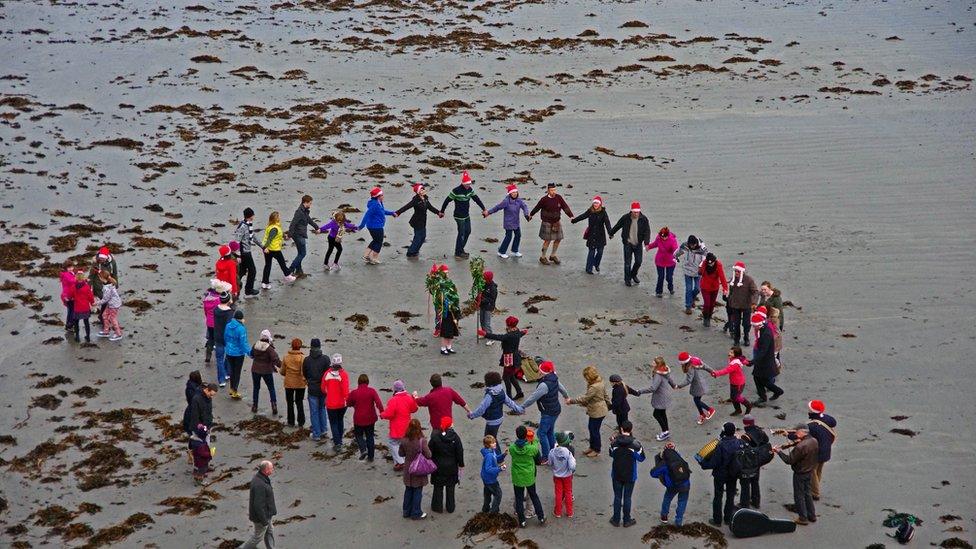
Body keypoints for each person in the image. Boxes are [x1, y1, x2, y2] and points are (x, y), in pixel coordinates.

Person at [521, 360, 569, 460]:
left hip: (548, 412)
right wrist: (566, 396)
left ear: (542, 372)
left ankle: (546, 457)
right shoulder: (554, 378)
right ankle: (553, 451)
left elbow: (533, 397)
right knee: (550, 431)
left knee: (541, 433)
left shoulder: (544, 385)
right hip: (555, 409)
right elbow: (562, 388)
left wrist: (522, 407)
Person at [468, 371, 524, 455]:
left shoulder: (489, 395)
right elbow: (510, 402)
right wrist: (519, 409)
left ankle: (498, 457)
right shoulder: (501, 391)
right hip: (499, 418)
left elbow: (482, 409)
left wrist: (472, 415)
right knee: (491, 437)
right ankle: (495, 455)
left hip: (492, 420)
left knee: (490, 439)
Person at [773, 425, 819, 525]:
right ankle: (812, 515)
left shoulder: (800, 446)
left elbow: (789, 460)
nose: (796, 434)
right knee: (807, 493)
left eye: (798, 432)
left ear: (804, 432)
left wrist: (778, 452)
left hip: (800, 473)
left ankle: (803, 518)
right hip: (810, 471)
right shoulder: (814, 441)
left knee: (799, 495)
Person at [700, 422, 743, 526]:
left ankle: (717, 520)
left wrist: (703, 464)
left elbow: (715, 462)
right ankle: (728, 518)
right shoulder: (739, 442)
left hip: (720, 474)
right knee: (730, 495)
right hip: (733, 473)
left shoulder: (720, 445)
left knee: (718, 496)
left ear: (724, 431)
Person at [439, 171, 487, 259]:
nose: (469, 185)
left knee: (468, 231)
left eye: (469, 183)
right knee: (461, 233)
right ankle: (458, 252)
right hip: (458, 216)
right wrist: (442, 211)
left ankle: (460, 249)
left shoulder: (470, 190)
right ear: (463, 183)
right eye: (467, 184)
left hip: (466, 215)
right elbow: (447, 201)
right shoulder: (456, 191)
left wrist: (483, 209)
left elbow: (476, 199)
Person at [480, 315, 528, 400]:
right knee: (511, 376)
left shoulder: (509, 335)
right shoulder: (517, 332)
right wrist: (524, 332)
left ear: (508, 324)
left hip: (509, 358)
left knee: (506, 378)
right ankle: (519, 392)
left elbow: (498, 337)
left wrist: (485, 334)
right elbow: (520, 334)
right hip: (515, 356)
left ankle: (508, 396)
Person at [566, 365, 610, 457]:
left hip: (597, 411)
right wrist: (609, 405)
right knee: (592, 428)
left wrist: (571, 401)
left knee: (594, 430)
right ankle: (592, 447)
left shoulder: (594, 387)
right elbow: (605, 395)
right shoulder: (600, 381)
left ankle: (596, 449)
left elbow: (585, 398)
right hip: (599, 410)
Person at [608, 421, 645, 527]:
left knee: (617, 497)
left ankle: (616, 519)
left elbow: (611, 454)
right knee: (627, 497)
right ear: (631, 430)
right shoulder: (636, 444)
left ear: (621, 429)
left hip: (616, 473)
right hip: (630, 474)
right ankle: (626, 520)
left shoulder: (614, 443)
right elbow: (641, 458)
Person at [509, 425, 545, 527]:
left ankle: (522, 521)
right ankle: (541, 516)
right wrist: (533, 439)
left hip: (517, 476)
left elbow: (514, 449)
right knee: (534, 496)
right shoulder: (531, 449)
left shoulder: (512, 448)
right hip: (529, 475)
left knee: (519, 498)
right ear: (526, 435)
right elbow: (536, 447)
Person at [529, 182, 573, 265]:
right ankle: (542, 257)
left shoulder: (559, 197)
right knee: (547, 240)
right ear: (548, 191)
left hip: (556, 222)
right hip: (547, 222)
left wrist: (571, 216)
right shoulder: (544, 199)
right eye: (552, 190)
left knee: (558, 239)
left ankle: (553, 255)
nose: (554, 192)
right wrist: (531, 214)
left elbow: (565, 207)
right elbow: (537, 207)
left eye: (554, 190)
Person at [608, 202, 651, 286]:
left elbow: (647, 231)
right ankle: (627, 279)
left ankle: (633, 274)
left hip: (638, 244)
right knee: (627, 263)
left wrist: (646, 243)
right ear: (631, 211)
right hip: (627, 243)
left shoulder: (644, 219)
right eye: (634, 212)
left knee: (639, 261)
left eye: (637, 212)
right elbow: (618, 226)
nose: (636, 213)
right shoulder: (625, 218)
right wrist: (611, 233)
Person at [638, 357, 680, 441]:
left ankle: (665, 432)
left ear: (657, 364)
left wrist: (640, 391)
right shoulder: (665, 370)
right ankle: (666, 430)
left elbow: (653, 388)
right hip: (665, 395)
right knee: (662, 413)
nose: (652, 362)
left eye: (654, 362)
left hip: (660, 397)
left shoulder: (658, 375)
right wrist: (674, 385)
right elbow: (669, 379)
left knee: (656, 414)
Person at [650, 442, 691, 527]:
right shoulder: (679, 457)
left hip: (673, 485)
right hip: (685, 483)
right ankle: (678, 521)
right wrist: (673, 448)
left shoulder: (665, 463)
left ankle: (664, 516)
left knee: (667, 498)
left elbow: (653, 473)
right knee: (682, 501)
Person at [429, 417, 465, 514]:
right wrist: (461, 464)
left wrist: (431, 460)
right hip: (452, 467)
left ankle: (437, 506)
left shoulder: (435, 436)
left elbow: (429, 450)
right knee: (450, 488)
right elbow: (460, 451)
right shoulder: (455, 437)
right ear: (450, 425)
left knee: (438, 487)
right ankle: (450, 507)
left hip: (438, 466)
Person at [398, 418, 432, 520]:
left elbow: (400, 454)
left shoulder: (404, 440)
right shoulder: (422, 441)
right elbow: (429, 455)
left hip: (408, 468)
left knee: (408, 489)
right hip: (419, 468)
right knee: (417, 491)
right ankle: (416, 512)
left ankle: (406, 511)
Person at [382, 380, 419, 472]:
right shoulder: (409, 398)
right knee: (402, 443)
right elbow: (414, 409)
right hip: (407, 426)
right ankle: (399, 462)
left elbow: (389, 414)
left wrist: (382, 415)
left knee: (392, 443)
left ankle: (400, 462)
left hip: (396, 428)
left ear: (395, 389)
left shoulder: (393, 400)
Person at [805, 400, 837, 501]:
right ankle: (815, 487)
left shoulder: (812, 426)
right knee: (819, 470)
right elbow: (833, 422)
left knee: (812, 471)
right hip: (827, 450)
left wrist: (788, 434)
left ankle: (815, 492)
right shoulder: (828, 419)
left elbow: (801, 435)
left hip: (817, 452)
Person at [396, 183, 440, 258]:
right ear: (418, 192)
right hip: (416, 221)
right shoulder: (415, 200)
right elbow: (407, 206)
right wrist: (398, 212)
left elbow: (430, 207)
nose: (423, 190)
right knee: (418, 237)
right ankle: (410, 252)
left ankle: (415, 250)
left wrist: (438, 213)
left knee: (423, 237)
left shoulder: (425, 198)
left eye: (423, 189)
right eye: (421, 189)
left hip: (423, 221)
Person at [347, 373, 384, 461]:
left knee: (359, 435)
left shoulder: (354, 392)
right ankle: (371, 457)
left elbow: (348, 403)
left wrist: (353, 403)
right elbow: (378, 403)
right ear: (367, 382)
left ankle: (363, 449)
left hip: (358, 419)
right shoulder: (372, 391)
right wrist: (382, 413)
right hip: (370, 418)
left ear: (358, 382)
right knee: (370, 436)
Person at [571, 196, 612, 274]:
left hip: (600, 235)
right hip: (591, 235)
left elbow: (607, 223)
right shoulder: (590, 211)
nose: (595, 205)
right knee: (591, 252)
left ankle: (596, 264)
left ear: (600, 204)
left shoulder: (603, 212)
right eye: (594, 203)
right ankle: (588, 269)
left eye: (597, 203)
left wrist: (610, 233)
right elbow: (582, 216)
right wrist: (574, 220)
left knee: (600, 252)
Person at [486, 184, 529, 258]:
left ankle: (515, 250)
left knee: (518, 235)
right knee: (508, 237)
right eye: (513, 192)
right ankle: (501, 252)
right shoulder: (506, 201)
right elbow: (497, 207)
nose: (515, 194)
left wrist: (526, 214)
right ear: (510, 193)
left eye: (516, 192)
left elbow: (524, 206)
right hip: (508, 223)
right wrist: (488, 212)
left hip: (516, 222)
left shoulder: (519, 200)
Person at [242, 460, 277, 549]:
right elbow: (258, 505)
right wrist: (264, 520)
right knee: (257, 537)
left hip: (266, 514)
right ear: (266, 470)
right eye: (271, 468)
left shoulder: (261, 478)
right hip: (261, 517)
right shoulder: (260, 484)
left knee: (269, 531)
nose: (273, 469)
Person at [750, 313, 784, 403]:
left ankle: (772, 393)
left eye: (754, 325)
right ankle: (769, 394)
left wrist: (753, 361)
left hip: (765, 361)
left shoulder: (766, 334)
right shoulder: (765, 330)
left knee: (761, 379)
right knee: (759, 378)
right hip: (764, 360)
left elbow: (763, 351)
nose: (754, 327)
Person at [359, 187, 397, 264]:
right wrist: (361, 226)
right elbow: (367, 215)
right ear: (378, 196)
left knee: (375, 240)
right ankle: (374, 258)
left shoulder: (379, 203)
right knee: (379, 242)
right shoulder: (375, 205)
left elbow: (382, 211)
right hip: (375, 227)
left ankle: (366, 256)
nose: (383, 196)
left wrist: (391, 213)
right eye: (382, 195)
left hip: (375, 226)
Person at [739, 414, 770, 509]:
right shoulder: (760, 431)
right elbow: (766, 440)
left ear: (745, 423)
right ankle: (756, 502)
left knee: (745, 484)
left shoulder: (746, 436)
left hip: (748, 464)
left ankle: (745, 504)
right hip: (758, 461)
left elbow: (744, 450)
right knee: (755, 482)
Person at [711, 346, 753, 416]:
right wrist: (749, 362)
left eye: (731, 353)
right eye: (730, 351)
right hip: (734, 382)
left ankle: (748, 405)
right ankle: (738, 410)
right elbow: (745, 361)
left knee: (736, 397)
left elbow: (726, 370)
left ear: (736, 355)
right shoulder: (736, 359)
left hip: (738, 383)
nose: (729, 353)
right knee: (733, 397)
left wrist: (716, 373)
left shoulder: (735, 364)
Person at [676, 352, 715, 425]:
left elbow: (688, 380)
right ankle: (702, 414)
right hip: (699, 384)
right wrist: (712, 371)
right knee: (696, 400)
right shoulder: (695, 361)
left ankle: (709, 410)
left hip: (698, 386)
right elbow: (705, 366)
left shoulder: (690, 367)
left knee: (697, 400)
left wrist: (679, 386)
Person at [302, 339, 329, 442]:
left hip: (312, 388)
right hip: (323, 389)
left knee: (314, 412)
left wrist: (309, 380)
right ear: (320, 346)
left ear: (311, 347)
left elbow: (304, 373)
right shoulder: (325, 359)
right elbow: (328, 373)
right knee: (322, 409)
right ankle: (323, 430)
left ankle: (316, 434)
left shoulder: (307, 360)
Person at [725, 261, 758, 346]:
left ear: (742, 271)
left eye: (738, 271)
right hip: (735, 305)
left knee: (746, 324)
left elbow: (755, 292)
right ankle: (736, 339)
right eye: (735, 271)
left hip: (746, 305)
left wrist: (754, 302)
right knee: (736, 323)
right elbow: (731, 292)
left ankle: (746, 337)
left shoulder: (749, 280)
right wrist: (728, 299)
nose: (736, 273)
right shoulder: (733, 280)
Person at [260, 211, 296, 288]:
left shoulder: (271, 226)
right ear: (276, 218)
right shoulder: (274, 228)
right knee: (282, 263)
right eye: (279, 216)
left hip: (268, 249)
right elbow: (270, 239)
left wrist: (284, 235)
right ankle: (287, 276)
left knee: (268, 265)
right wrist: (265, 248)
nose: (280, 217)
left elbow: (277, 234)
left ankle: (264, 282)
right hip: (273, 249)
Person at [286, 195, 320, 276]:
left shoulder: (304, 211)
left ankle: (299, 270)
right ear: (305, 202)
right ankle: (290, 269)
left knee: (300, 253)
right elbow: (292, 224)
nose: (310, 205)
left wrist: (317, 227)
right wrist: (289, 235)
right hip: (298, 235)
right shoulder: (299, 212)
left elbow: (309, 220)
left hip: (299, 234)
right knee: (303, 254)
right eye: (310, 203)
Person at [323, 354, 350, 452]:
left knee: (333, 422)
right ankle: (339, 439)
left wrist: (328, 393)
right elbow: (346, 390)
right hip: (342, 403)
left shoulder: (327, 374)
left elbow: (323, 388)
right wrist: (348, 400)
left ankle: (337, 442)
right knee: (340, 420)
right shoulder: (344, 374)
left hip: (330, 403)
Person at [675, 235, 709, 314]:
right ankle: (688, 306)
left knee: (697, 288)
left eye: (693, 245)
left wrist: (702, 267)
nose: (692, 246)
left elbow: (705, 259)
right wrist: (675, 256)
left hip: (698, 272)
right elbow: (679, 251)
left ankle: (692, 298)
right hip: (687, 270)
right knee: (688, 289)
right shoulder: (685, 246)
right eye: (690, 245)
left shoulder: (702, 249)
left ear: (696, 243)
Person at [250, 329, 280, 415]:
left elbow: (251, 354)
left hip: (255, 369)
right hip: (266, 370)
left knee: (256, 388)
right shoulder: (269, 348)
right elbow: (275, 359)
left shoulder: (256, 345)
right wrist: (283, 367)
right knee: (271, 388)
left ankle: (255, 406)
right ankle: (274, 405)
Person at [233, 207, 262, 297]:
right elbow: (237, 241)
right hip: (244, 253)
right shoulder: (243, 226)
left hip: (245, 251)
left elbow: (253, 236)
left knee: (241, 272)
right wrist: (238, 256)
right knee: (252, 270)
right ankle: (248, 291)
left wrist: (262, 246)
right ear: (250, 216)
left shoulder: (248, 224)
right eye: (253, 215)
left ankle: (234, 287)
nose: (254, 216)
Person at [224, 310, 251, 400]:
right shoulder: (241, 329)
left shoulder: (228, 326)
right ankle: (235, 390)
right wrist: (249, 352)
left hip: (229, 352)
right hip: (238, 354)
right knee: (237, 372)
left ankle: (232, 389)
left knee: (232, 371)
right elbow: (243, 343)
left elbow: (225, 337)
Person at [279, 339, 306, 427]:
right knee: (299, 402)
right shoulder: (303, 358)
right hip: (300, 384)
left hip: (289, 383)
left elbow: (282, 371)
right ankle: (301, 421)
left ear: (292, 346)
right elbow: (304, 372)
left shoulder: (286, 357)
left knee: (290, 402)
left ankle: (291, 421)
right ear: (300, 347)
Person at [549, 431, 577, 517]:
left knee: (558, 494)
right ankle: (569, 512)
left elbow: (550, 463)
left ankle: (558, 512)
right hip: (567, 476)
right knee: (568, 492)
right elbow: (572, 466)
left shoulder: (552, 452)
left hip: (557, 476)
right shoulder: (568, 452)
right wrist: (572, 468)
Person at [89, 246, 119, 326]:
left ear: (106, 258)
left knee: (107, 301)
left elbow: (114, 274)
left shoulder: (112, 263)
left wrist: (116, 285)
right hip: (98, 285)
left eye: (103, 259)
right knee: (105, 301)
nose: (101, 260)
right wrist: (89, 287)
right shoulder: (96, 263)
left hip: (108, 283)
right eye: (100, 258)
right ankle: (102, 318)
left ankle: (102, 316)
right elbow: (91, 276)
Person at [647, 226, 679, 297]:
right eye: (662, 237)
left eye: (665, 237)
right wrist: (648, 247)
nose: (663, 238)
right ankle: (659, 291)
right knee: (660, 276)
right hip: (660, 260)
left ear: (668, 235)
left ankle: (670, 288)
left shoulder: (672, 240)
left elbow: (675, 249)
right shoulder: (658, 238)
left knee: (669, 277)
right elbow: (655, 244)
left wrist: (676, 254)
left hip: (670, 261)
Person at [698, 253, 728, 327]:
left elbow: (722, 277)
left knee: (712, 304)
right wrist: (700, 268)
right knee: (707, 303)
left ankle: (709, 316)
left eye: (712, 263)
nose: (711, 264)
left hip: (714, 288)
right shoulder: (704, 263)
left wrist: (725, 289)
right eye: (709, 263)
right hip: (705, 287)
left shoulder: (718, 265)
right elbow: (700, 272)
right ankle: (706, 318)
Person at [212, 289, 235, 387]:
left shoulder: (215, 310)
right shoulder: (230, 312)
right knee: (229, 356)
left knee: (219, 359)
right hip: (227, 337)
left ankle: (221, 380)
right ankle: (227, 373)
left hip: (217, 336)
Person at [480, 435, 507, 513]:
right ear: (488, 445)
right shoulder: (489, 455)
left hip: (486, 478)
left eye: (495, 442)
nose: (495, 444)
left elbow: (496, 459)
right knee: (498, 494)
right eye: (492, 443)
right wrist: (500, 469)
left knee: (487, 494)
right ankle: (493, 511)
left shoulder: (492, 451)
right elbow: (488, 469)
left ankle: (485, 509)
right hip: (490, 479)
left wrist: (503, 455)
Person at [95, 271, 123, 341]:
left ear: (102, 278)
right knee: (104, 315)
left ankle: (118, 333)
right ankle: (106, 331)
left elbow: (105, 299)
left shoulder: (107, 288)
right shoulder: (109, 283)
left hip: (114, 305)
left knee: (112, 318)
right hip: (111, 303)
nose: (99, 278)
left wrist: (96, 303)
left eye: (99, 277)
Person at [71, 269, 95, 343]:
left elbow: (72, 295)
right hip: (85, 307)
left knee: (76, 322)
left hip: (77, 307)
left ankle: (77, 336)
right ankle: (87, 336)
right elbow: (90, 296)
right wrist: (92, 302)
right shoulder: (86, 286)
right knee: (86, 322)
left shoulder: (74, 286)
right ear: (83, 277)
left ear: (76, 277)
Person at [202, 280, 222, 363]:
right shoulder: (218, 300)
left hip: (209, 322)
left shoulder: (207, 299)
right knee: (218, 339)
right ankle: (219, 355)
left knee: (210, 338)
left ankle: (208, 355)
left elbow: (205, 311)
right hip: (217, 322)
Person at [478, 271, 497, 345]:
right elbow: (480, 293)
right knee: (482, 320)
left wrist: (483, 300)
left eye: (484, 278)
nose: (483, 279)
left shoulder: (493, 288)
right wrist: (478, 298)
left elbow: (492, 299)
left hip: (488, 307)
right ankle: (484, 333)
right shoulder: (483, 284)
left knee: (487, 323)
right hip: (482, 305)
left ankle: (491, 338)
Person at [59, 262, 75, 330]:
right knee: (72, 311)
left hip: (70, 295)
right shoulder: (66, 275)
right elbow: (71, 282)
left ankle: (68, 325)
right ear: (66, 268)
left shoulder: (70, 273)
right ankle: (70, 325)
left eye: (71, 267)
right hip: (68, 296)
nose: (71, 269)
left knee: (70, 311)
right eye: (69, 268)